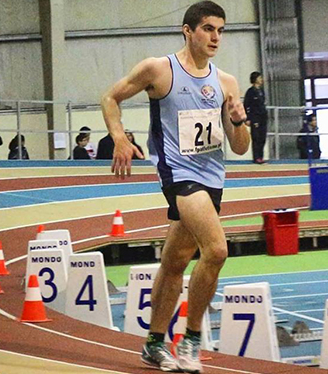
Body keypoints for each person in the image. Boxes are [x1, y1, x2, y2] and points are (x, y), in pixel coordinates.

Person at [100, 2, 249, 372]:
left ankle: (153, 344)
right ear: (188, 30)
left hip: (213, 177)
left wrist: (240, 121)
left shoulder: (226, 82)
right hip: (178, 173)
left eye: (220, 30)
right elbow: (110, 97)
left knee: (176, 261)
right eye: (208, 29)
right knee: (216, 250)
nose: (216, 37)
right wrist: (119, 138)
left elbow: (241, 147)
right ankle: (191, 341)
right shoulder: (158, 69)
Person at [244, 71, 267, 164]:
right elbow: (246, 105)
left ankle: (261, 156)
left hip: (263, 117)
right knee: (256, 138)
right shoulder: (250, 92)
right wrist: (247, 118)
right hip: (255, 118)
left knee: (262, 137)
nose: (261, 79)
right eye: (259, 78)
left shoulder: (261, 91)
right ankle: (256, 157)